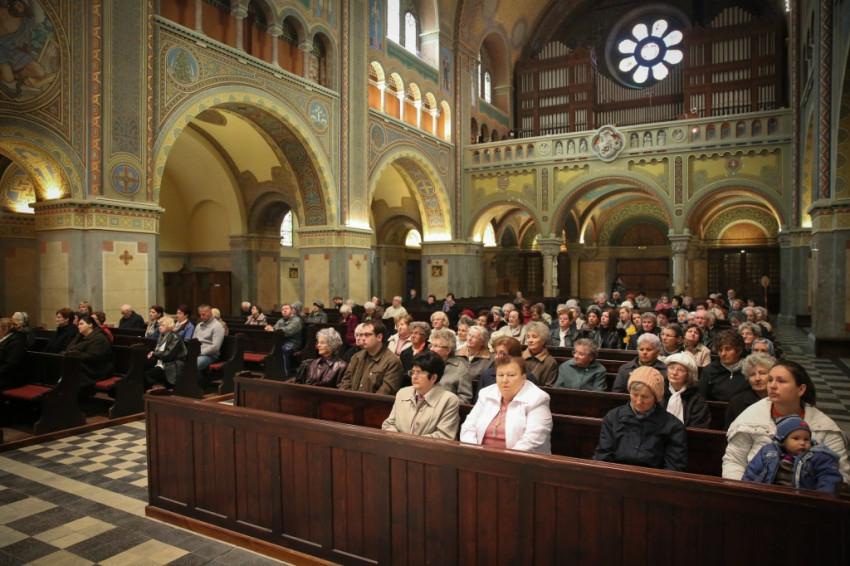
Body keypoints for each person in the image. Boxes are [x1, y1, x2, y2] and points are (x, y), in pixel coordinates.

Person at [723, 360, 850, 483]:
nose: (772, 386)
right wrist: (742, 491)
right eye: (770, 380)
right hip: (755, 492)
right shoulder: (751, 417)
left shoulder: (824, 428)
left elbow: (840, 474)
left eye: (781, 381)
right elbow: (734, 461)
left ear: (801, 389)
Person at [594, 366, 688, 471]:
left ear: (656, 397)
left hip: (653, 478)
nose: (638, 401)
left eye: (645, 396)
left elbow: (673, 467)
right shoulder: (613, 417)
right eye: (635, 395)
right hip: (615, 475)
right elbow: (603, 456)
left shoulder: (673, 426)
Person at [461, 356, 553, 454]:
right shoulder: (486, 393)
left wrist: (505, 459)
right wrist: (474, 453)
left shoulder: (537, 398)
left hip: (521, 460)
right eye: (500, 375)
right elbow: (468, 427)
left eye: (511, 375)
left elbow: (532, 440)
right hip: (480, 457)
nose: (504, 380)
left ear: (523, 378)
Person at [742, 416, 843, 493]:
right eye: (796, 439)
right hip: (769, 496)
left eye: (806, 439)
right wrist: (747, 492)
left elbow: (829, 477)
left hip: (803, 501)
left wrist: (821, 499)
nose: (802, 443)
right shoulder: (767, 452)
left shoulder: (818, 456)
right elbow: (752, 471)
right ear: (782, 441)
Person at [382, 350, 461, 440]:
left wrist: (411, 442)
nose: (414, 376)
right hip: (398, 445)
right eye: (412, 372)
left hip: (428, 448)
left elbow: (444, 436)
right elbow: (389, 424)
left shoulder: (449, 400)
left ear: (434, 377)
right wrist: (399, 440)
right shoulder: (403, 393)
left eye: (419, 372)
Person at [338, 320, 403, 395]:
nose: (362, 338)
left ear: (379, 337)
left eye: (367, 335)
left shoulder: (392, 362)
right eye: (361, 335)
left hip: (374, 402)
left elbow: (384, 393)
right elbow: (345, 383)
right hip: (350, 400)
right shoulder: (356, 357)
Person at [66, 314, 114, 393]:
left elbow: (93, 357)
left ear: (90, 324)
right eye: (78, 324)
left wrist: (75, 354)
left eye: (81, 324)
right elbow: (69, 348)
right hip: (83, 364)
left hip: (95, 370)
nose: (78, 326)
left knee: (71, 371)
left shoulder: (99, 338)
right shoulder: (80, 336)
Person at [725, 352, 775, 427]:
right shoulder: (737, 402)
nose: (757, 378)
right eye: (752, 375)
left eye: (762, 373)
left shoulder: (780, 399)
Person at [663, 352, 711, 428]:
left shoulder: (696, 396)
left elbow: (699, 425)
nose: (674, 373)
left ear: (688, 375)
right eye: (671, 368)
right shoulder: (659, 390)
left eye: (680, 370)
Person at [699, 330, 748, 402]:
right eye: (720, 350)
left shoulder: (749, 370)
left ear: (739, 350)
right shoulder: (709, 370)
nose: (723, 354)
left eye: (728, 349)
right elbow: (701, 398)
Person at [145, 316, 187, 390]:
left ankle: (149, 393)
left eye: (163, 325)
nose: (160, 327)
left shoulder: (174, 337)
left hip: (170, 365)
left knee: (148, 374)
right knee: (141, 369)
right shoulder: (162, 336)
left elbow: (168, 354)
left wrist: (154, 353)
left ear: (169, 326)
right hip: (161, 363)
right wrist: (152, 354)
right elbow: (158, 350)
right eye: (160, 325)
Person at [265, 303, 304, 377]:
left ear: (292, 311)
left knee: (282, 350)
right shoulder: (281, 320)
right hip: (282, 341)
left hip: (293, 342)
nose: (284, 311)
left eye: (287, 309)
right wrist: (269, 328)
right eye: (283, 309)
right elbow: (275, 328)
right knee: (272, 348)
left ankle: (285, 373)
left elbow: (288, 331)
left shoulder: (296, 321)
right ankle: (273, 371)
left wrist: (273, 329)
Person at [521, 321, 558, 387]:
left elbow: (549, 388)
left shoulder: (550, 362)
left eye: (534, 337)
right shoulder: (518, 356)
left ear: (543, 340)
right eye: (528, 337)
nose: (530, 340)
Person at [194, 304, 224, 372]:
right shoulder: (199, 325)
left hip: (210, 355)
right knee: (180, 363)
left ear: (210, 313)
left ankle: (199, 380)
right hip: (197, 353)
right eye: (200, 315)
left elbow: (215, 347)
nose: (201, 317)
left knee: (193, 365)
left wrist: (199, 352)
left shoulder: (217, 326)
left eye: (204, 314)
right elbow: (193, 341)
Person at [0, 317, 26, 390]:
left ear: (5, 329)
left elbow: (9, 365)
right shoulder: (4, 340)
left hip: (10, 378)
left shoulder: (16, 343)